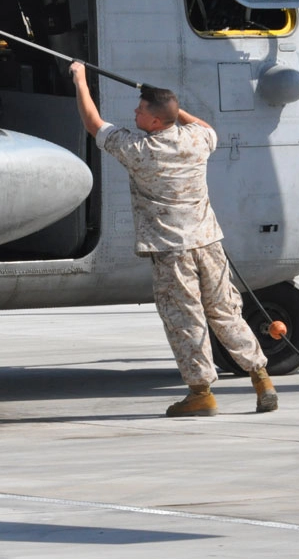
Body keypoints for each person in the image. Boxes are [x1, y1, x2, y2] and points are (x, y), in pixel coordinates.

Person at [69, 61, 277, 417]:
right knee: (225, 312)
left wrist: (79, 79)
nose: (134, 111)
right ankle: (262, 381)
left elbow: (93, 123)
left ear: (153, 122)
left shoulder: (140, 150)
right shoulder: (197, 141)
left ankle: (201, 393)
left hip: (172, 252)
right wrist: (172, 105)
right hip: (208, 244)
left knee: (185, 319)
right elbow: (205, 127)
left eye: (140, 109)